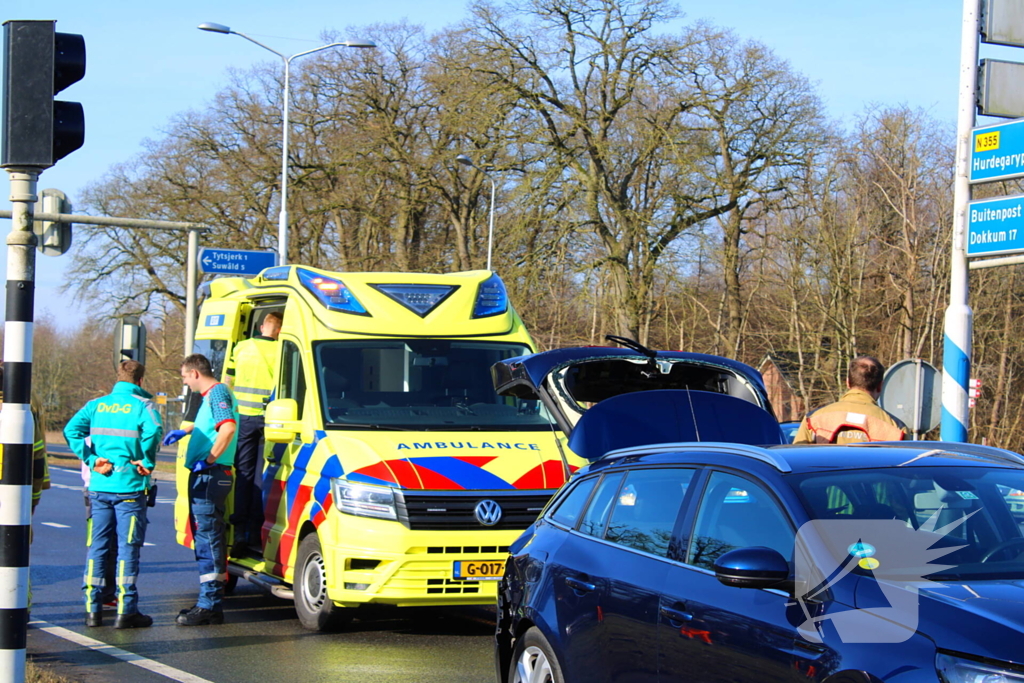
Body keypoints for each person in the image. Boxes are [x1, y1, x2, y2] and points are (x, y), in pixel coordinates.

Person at [64, 360, 162, 628]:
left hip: (99, 486)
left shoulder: (96, 405)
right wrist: (146, 460)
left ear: (118, 378)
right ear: (140, 381)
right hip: (130, 487)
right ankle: (126, 610)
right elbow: (154, 430)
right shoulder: (144, 406)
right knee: (127, 549)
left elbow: (71, 430)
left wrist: (91, 458)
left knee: (98, 547)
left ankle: (92, 610)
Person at [163, 353, 238, 626]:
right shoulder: (212, 396)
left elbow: (227, 428)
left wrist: (209, 459)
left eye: (185, 376)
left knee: (208, 539)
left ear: (195, 373)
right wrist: (187, 431)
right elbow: (214, 422)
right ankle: (209, 602)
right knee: (207, 537)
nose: (185, 382)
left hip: (210, 475)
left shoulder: (217, 393)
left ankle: (210, 605)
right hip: (209, 475)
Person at [223, 310, 282, 555]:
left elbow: (227, 382)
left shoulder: (240, 348)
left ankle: (240, 532)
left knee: (244, 475)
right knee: (264, 475)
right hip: (271, 418)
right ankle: (258, 531)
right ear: (280, 330)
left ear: (261, 327)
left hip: (243, 418)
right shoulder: (281, 349)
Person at [793, 355, 906, 444]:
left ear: (847, 382)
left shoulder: (813, 420)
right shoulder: (896, 428)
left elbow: (795, 460)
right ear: (880, 386)